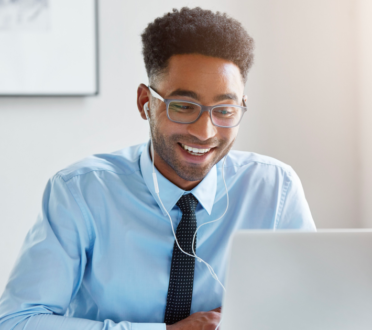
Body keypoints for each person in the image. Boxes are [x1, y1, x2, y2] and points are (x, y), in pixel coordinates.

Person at [0, 7, 315, 330]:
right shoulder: (81, 191)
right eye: (183, 106)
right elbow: (16, 322)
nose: (205, 132)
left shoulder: (275, 188)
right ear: (144, 103)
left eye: (224, 110)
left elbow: (314, 306)